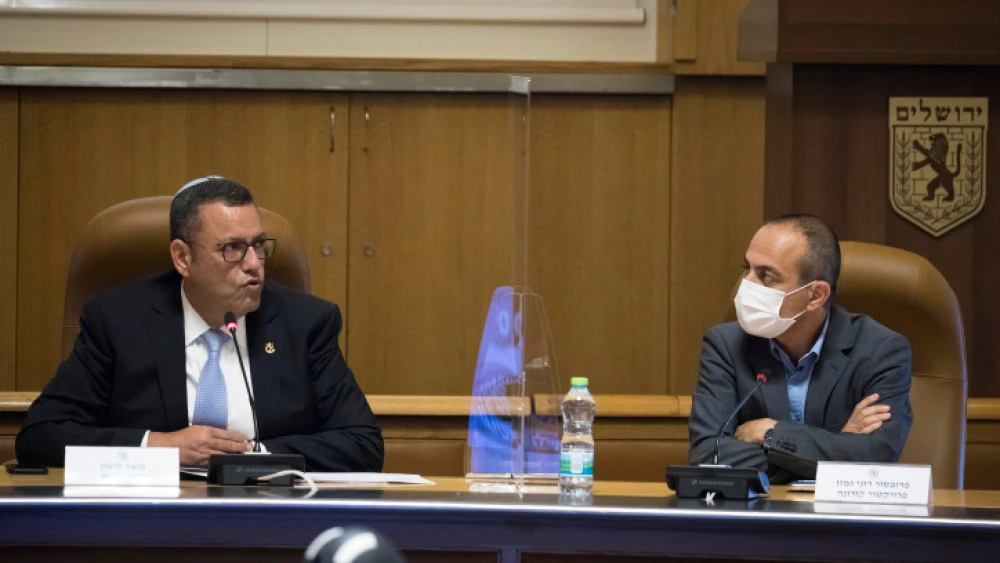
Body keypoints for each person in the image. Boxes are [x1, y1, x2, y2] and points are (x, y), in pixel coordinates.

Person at [16, 177, 383, 471]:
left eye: (258, 245)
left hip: (269, 515)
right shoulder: (118, 320)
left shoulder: (305, 323)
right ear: (183, 257)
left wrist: (253, 455)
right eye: (233, 249)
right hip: (146, 519)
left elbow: (362, 444)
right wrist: (162, 446)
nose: (254, 263)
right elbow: (41, 437)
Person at [688, 214, 913, 482]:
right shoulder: (725, 345)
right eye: (746, 268)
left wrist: (771, 434)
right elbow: (707, 454)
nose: (746, 284)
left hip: (843, 519)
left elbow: (877, 456)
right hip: (761, 515)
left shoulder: (881, 350)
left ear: (816, 295)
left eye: (766, 276)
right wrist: (840, 445)